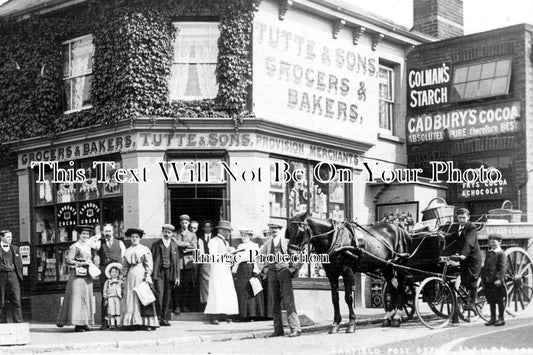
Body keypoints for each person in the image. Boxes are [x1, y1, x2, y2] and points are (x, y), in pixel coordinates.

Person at [257, 222, 302, 337]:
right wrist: (264, 269)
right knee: (274, 302)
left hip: (284, 273)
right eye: (271, 228)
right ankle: (278, 330)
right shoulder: (267, 244)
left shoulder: (286, 242)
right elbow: (258, 257)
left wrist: (294, 268)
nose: (273, 230)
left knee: (288, 301)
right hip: (271, 273)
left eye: (276, 228)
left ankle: (295, 329)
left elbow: (299, 256)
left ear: (280, 229)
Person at [56, 225, 97, 332]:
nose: (85, 236)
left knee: (86, 298)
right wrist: (82, 263)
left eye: (87, 234)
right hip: (77, 275)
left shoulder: (89, 246)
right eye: (83, 234)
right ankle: (78, 324)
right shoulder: (75, 246)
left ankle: (85, 323)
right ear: (79, 234)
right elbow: (69, 260)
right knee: (77, 299)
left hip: (87, 275)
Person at [121, 228, 159, 331]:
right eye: (132, 237)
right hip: (130, 275)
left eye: (136, 237)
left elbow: (148, 264)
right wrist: (123, 277)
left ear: (140, 238)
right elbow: (125, 266)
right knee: (131, 298)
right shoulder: (127, 251)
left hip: (141, 273)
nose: (134, 239)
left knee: (143, 296)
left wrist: (147, 274)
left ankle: (146, 322)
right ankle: (132, 322)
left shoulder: (144, 249)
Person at [204, 220, 239, 325]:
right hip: (218, 270)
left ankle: (225, 314)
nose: (228, 233)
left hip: (225, 270)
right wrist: (226, 253)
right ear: (222, 230)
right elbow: (213, 256)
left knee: (226, 292)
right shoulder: (214, 241)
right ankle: (213, 316)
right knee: (217, 292)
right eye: (227, 231)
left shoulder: (226, 242)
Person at [96, 223, 126, 329]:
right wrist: (98, 236)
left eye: (109, 231)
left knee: (118, 295)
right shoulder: (99, 243)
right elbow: (90, 244)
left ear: (113, 232)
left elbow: (124, 257)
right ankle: (105, 322)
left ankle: (119, 321)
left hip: (117, 271)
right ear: (103, 232)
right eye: (106, 231)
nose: (108, 233)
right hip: (104, 271)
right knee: (105, 296)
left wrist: (122, 272)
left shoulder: (120, 243)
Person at [452, 208, 482, 311]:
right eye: (460, 218)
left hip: (473, 258)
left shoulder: (471, 227)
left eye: (464, 218)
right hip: (463, 259)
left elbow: (469, 242)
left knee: (472, 279)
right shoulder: (458, 227)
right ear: (457, 218)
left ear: (468, 217)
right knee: (464, 279)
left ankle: (473, 303)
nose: (462, 220)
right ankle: (466, 300)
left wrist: (464, 254)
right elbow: (453, 238)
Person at [151, 224, 180, 326]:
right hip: (159, 272)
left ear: (172, 234)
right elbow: (151, 260)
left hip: (170, 272)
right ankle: (157, 318)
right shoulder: (156, 244)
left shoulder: (174, 245)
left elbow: (176, 262)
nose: (167, 234)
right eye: (165, 232)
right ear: (162, 232)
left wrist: (177, 276)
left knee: (167, 296)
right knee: (159, 295)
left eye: (169, 233)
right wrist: (151, 274)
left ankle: (164, 319)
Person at [232, 229, 264, 321]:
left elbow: (256, 259)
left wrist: (255, 270)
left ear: (250, 236)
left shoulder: (254, 246)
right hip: (241, 270)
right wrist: (234, 269)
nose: (243, 237)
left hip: (249, 268)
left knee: (250, 290)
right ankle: (243, 315)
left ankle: (251, 315)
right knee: (241, 291)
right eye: (242, 235)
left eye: (245, 235)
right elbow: (237, 259)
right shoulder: (240, 246)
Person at [173, 214, 197, 313]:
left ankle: (184, 306)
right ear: (180, 223)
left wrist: (182, 246)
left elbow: (194, 247)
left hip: (188, 263)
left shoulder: (192, 235)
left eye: (186, 223)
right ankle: (177, 306)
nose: (184, 224)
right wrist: (187, 244)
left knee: (186, 285)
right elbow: (175, 244)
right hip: (178, 262)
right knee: (177, 285)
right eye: (182, 222)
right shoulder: (175, 234)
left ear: (188, 223)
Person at [481, 234, 507, 326]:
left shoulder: (501, 253)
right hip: (488, 280)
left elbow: (502, 268)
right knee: (491, 300)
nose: (492, 243)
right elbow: (486, 266)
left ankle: (501, 318)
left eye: (494, 241)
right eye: (490, 241)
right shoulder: (489, 253)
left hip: (496, 281)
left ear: (499, 242)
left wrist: (499, 278)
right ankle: (493, 318)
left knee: (499, 300)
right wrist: (483, 277)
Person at [0, 230, 23, 323]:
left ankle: (18, 322)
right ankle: (2, 323)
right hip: (1, 276)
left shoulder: (15, 248)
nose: (10, 238)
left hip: (13, 276)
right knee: (1, 300)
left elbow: (19, 263)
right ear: (1, 237)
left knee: (16, 299)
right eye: (8, 237)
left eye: (11, 236)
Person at [197, 221, 214, 311]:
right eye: (205, 227)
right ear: (203, 228)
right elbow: (200, 251)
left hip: (215, 262)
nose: (207, 228)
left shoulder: (215, 238)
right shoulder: (200, 239)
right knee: (205, 284)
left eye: (209, 226)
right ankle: (205, 304)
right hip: (205, 263)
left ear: (212, 228)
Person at [102, 262, 123, 330]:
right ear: (110, 273)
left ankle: (119, 323)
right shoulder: (108, 282)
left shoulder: (120, 281)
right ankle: (112, 324)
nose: (114, 273)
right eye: (113, 272)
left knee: (118, 310)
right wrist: (105, 298)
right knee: (112, 311)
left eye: (116, 272)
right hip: (110, 297)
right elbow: (105, 290)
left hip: (118, 297)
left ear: (119, 273)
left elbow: (123, 289)